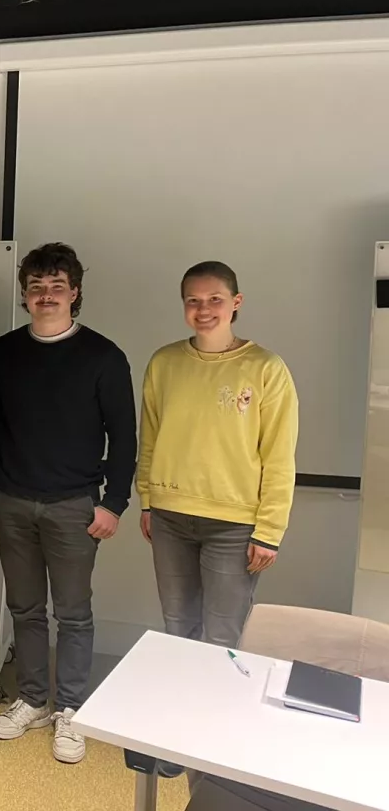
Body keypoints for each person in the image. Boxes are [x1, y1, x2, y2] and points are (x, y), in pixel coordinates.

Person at [0, 242, 136, 765]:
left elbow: (125, 437)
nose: (46, 295)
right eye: (36, 288)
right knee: (24, 608)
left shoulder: (104, 357)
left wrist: (113, 503)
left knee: (73, 613)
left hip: (75, 505)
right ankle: (31, 699)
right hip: (13, 502)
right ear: (25, 296)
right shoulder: (1, 354)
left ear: (74, 294)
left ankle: (70, 709)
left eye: (57, 287)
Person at [138, 261, 298, 648]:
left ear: (236, 302)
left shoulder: (266, 368)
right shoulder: (164, 362)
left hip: (234, 525)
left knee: (224, 634)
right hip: (169, 517)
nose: (203, 309)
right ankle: (182, 707)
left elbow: (278, 455)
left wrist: (270, 531)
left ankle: (218, 709)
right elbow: (150, 438)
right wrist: (147, 500)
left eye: (215, 299)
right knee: (178, 626)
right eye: (193, 300)